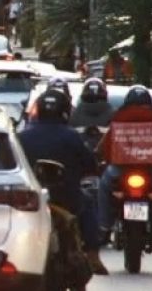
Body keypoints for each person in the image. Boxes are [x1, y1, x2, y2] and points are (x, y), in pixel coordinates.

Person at [18, 88, 107, 274]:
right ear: (65, 112)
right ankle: (93, 254)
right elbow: (89, 163)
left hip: (31, 200)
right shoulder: (71, 136)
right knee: (89, 204)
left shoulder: (22, 137)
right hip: (67, 199)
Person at [96, 85, 152, 249]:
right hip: (150, 170)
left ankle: (104, 225)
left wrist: (103, 157)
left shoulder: (120, 116)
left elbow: (107, 145)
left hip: (121, 169)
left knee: (104, 186)